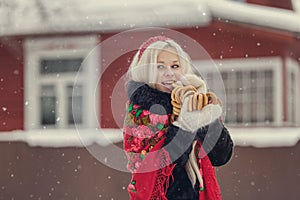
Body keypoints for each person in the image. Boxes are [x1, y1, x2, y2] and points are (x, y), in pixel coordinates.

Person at [123, 35, 233, 200]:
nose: (169, 73)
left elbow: (221, 156)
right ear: (146, 70)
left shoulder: (191, 101)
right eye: (160, 66)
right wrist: (185, 125)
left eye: (175, 66)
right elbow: (160, 176)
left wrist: (207, 117)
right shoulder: (140, 114)